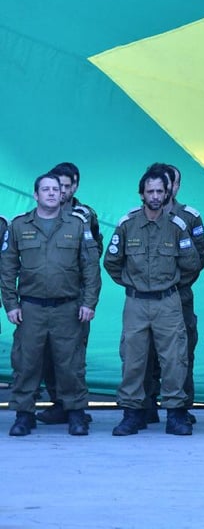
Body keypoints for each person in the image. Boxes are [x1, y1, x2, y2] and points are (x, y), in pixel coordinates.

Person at [1, 173, 100, 436]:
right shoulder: (19, 226)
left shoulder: (77, 225)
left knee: (71, 363)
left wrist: (89, 302)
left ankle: (76, 413)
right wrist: (11, 304)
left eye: (56, 189)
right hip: (30, 308)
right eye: (46, 189)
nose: (52, 193)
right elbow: (7, 268)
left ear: (63, 193)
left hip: (68, 308)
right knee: (26, 362)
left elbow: (90, 268)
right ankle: (24, 415)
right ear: (36, 195)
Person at [106, 166, 202, 436]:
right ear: (142, 194)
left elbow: (192, 264)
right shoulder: (127, 225)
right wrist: (133, 283)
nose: (156, 195)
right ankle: (132, 414)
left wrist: (169, 284)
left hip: (168, 302)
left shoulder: (176, 226)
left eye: (161, 191)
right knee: (134, 359)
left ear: (168, 192)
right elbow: (112, 262)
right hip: (136, 303)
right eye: (151, 191)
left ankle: (175, 415)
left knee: (174, 359)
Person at [35, 162, 104, 426]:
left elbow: (92, 259)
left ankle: (75, 406)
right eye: (57, 186)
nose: (61, 192)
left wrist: (88, 298)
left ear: (75, 186)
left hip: (73, 297)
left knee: (73, 356)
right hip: (45, 296)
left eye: (66, 186)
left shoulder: (85, 215)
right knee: (47, 355)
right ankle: (58, 403)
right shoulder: (38, 215)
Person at [142, 163, 204, 425]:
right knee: (144, 353)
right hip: (146, 299)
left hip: (179, 297)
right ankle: (145, 404)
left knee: (181, 353)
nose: (167, 189)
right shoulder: (138, 218)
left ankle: (181, 407)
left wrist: (173, 284)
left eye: (173, 183)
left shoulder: (190, 217)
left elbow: (197, 259)